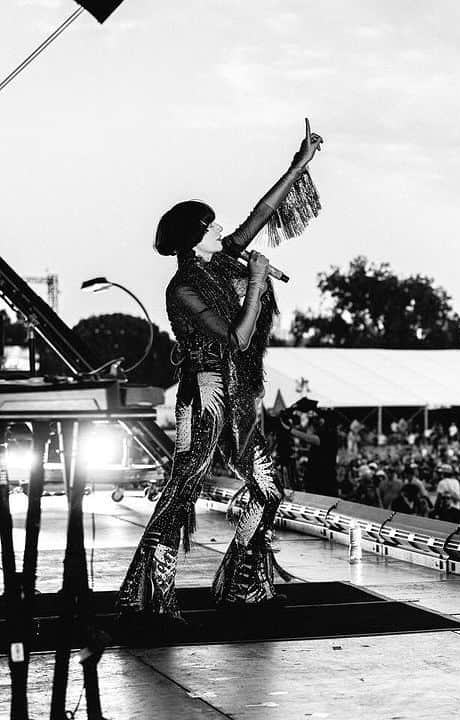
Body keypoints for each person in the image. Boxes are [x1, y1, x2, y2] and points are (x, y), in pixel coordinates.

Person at [117, 123, 324, 620]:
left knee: (267, 489)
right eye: (211, 226)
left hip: (237, 398)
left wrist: (299, 165)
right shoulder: (183, 287)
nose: (220, 229)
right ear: (194, 238)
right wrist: (254, 282)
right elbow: (236, 337)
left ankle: (243, 581)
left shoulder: (221, 259)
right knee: (183, 489)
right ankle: (151, 596)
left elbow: (263, 213)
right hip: (204, 397)